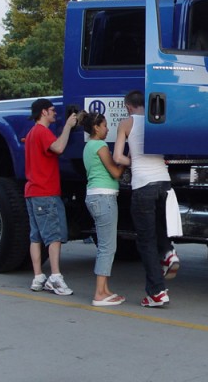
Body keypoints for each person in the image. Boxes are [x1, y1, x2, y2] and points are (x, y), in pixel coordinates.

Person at [113, 90, 179, 307]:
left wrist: (132, 161)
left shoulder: (126, 124)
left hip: (143, 186)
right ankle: (168, 253)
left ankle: (157, 292)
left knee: (146, 241)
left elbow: (117, 157)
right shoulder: (157, 122)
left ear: (129, 107)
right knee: (160, 227)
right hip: (164, 183)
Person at [25, 98, 77, 296]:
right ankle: (55, 277)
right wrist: (68, 127)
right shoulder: (42, 132)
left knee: (35, 237)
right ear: (44, 112)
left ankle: (38, 276)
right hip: (46, 192)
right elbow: (58, 148)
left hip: (32, 191)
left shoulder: (31, 133)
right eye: (52, 110)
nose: (55, 113)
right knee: (53, 236)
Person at [82, 112, 126, 306]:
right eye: (105, 125)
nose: (108, 129)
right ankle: (99, 293)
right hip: (104, 197)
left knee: (107, 245)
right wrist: (126, 161)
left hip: (94, 196)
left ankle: (105, 289)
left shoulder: (87, 147)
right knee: (107, 247)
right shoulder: (100, 146)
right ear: (96, 127)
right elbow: (115, 172)